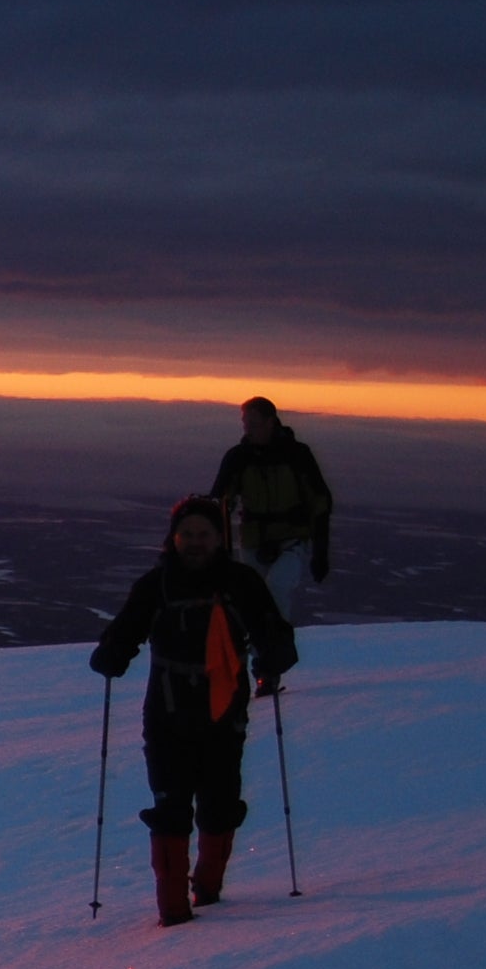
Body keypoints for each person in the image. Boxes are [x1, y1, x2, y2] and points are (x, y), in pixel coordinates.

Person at [91, 495, 296, 926]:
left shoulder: (238, 582)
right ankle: (174, 910)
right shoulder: (158, 585)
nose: (195, 543)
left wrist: (275, 652)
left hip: (220, 711)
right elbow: (127, 628)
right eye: (188, 535)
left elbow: (271, 630)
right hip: (170, 712)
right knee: (172, 806)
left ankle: (206, 889)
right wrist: (112, 653)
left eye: (204, 534)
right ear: (174, 538)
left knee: (218, 803)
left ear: (220, 538)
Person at [209, 396, 334, 622]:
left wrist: (320, 551)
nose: (248, 430)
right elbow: (219, 500)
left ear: (270, 422)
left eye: (253, 424)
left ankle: (278, 648)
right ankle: (260, 650)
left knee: (277, 588)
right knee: (253, 598)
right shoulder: (238, 457)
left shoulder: (297, 455)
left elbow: (320, 502)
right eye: (246, 425)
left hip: (291, 539)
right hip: (252, 542)